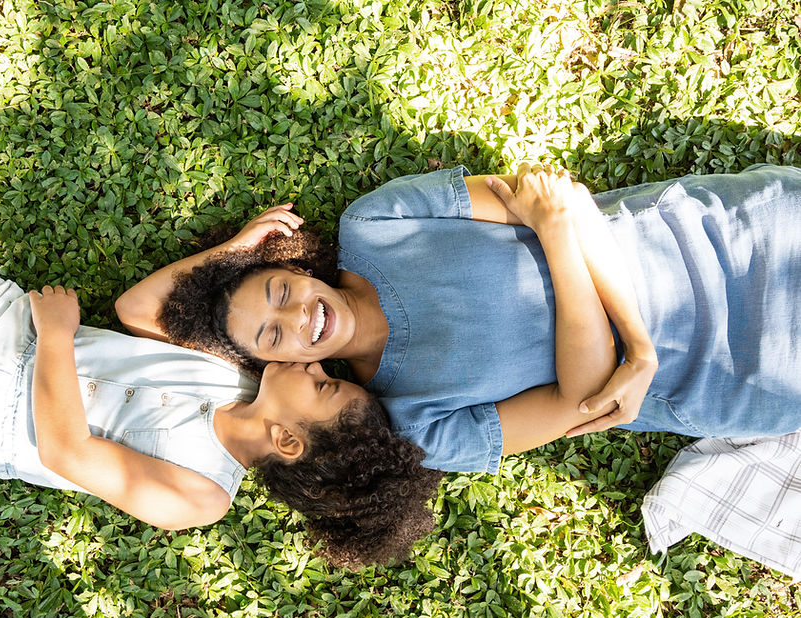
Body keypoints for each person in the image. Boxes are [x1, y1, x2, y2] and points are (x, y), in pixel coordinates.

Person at [0, 197, 441, 568]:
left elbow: (67, 450)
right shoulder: (240, 376)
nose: (317, 366)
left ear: (288, 442)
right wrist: (237, 249)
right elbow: (139, 308)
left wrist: (59, 338)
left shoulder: (200, 496)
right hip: (0, 321)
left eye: (322, 387)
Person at [116, 163, 801, 473]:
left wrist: (237, 250)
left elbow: (559, 197)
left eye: (278, 288)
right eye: (273, 334)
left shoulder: (376, 223)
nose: (297, 314)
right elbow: (584, 394)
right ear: (286, 362)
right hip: (746, 371)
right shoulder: (421, 428)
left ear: (294, 266)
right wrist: (557, 239)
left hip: (733, 234)